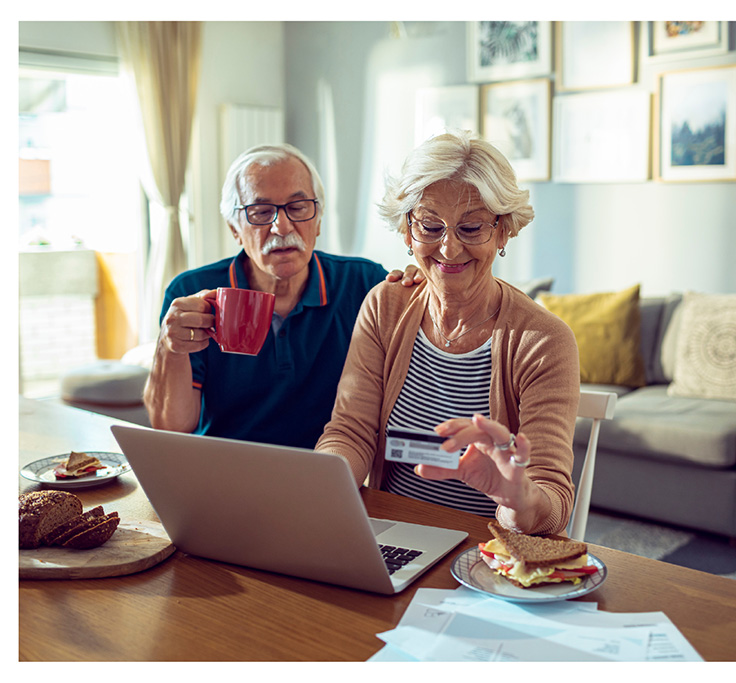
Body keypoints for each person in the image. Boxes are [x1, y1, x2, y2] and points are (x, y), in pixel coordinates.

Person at [316, 131, 580, 535]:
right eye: (430, 226)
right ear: (407, 231)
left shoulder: (544, 341)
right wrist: (320, 487)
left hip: (489, 558)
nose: (449, 249)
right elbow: (350, 432)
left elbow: (552, 500)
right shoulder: (386, 307)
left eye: (471, 228)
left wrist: (515, 497)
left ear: (503, 231)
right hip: (390, 540)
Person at [144, 143, 422, 449]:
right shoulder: (193, 293)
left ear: (318, 220)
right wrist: (168, 347)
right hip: (224, 472)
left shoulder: (363, 282)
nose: (282, 226)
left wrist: (424, 285)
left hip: (328, 470)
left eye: (298, 207)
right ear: (235, 229)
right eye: (261, 212)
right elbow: (171, 426)